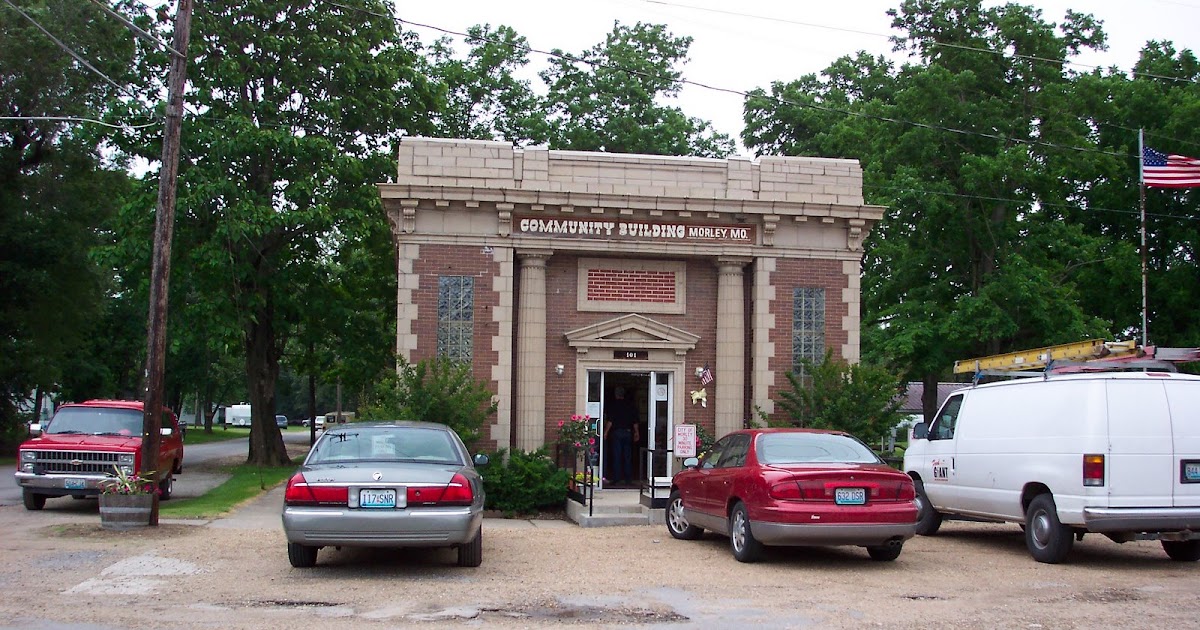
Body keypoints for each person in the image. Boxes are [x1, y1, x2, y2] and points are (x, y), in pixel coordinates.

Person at [604, 386, 639, 485]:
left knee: (617, 456)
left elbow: (610, 421)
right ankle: (628, 479)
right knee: (627, 457)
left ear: (616, 394)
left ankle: (616, 478)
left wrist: (606, 432)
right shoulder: (630, 405)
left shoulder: (613, 406)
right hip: (628, 432)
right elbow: (635, 421)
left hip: (617, 433)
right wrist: (637, 433)